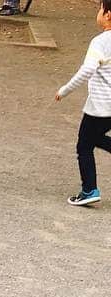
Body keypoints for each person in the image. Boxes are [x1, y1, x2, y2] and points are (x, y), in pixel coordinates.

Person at [55, 0, 111, 206]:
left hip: (101, 106)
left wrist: (65, 90)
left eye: (100, 9)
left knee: (84, 145)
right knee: (94, 138)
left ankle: (89, 190)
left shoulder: (101, 42)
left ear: (108, 15)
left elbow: (87, 70)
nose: (98, 13)